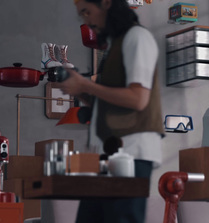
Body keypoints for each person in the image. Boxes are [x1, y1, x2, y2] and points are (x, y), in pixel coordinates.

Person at [55, 0, 164, 222]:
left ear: (106, 3)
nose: (85, 20)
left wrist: (86, 86)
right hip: (106, 157)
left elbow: (138, 99)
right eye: (81, 15)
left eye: (87, 11)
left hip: (131, 154)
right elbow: (113, 102)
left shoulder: (137, 38)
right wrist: (82, 93)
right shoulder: (116, 45)